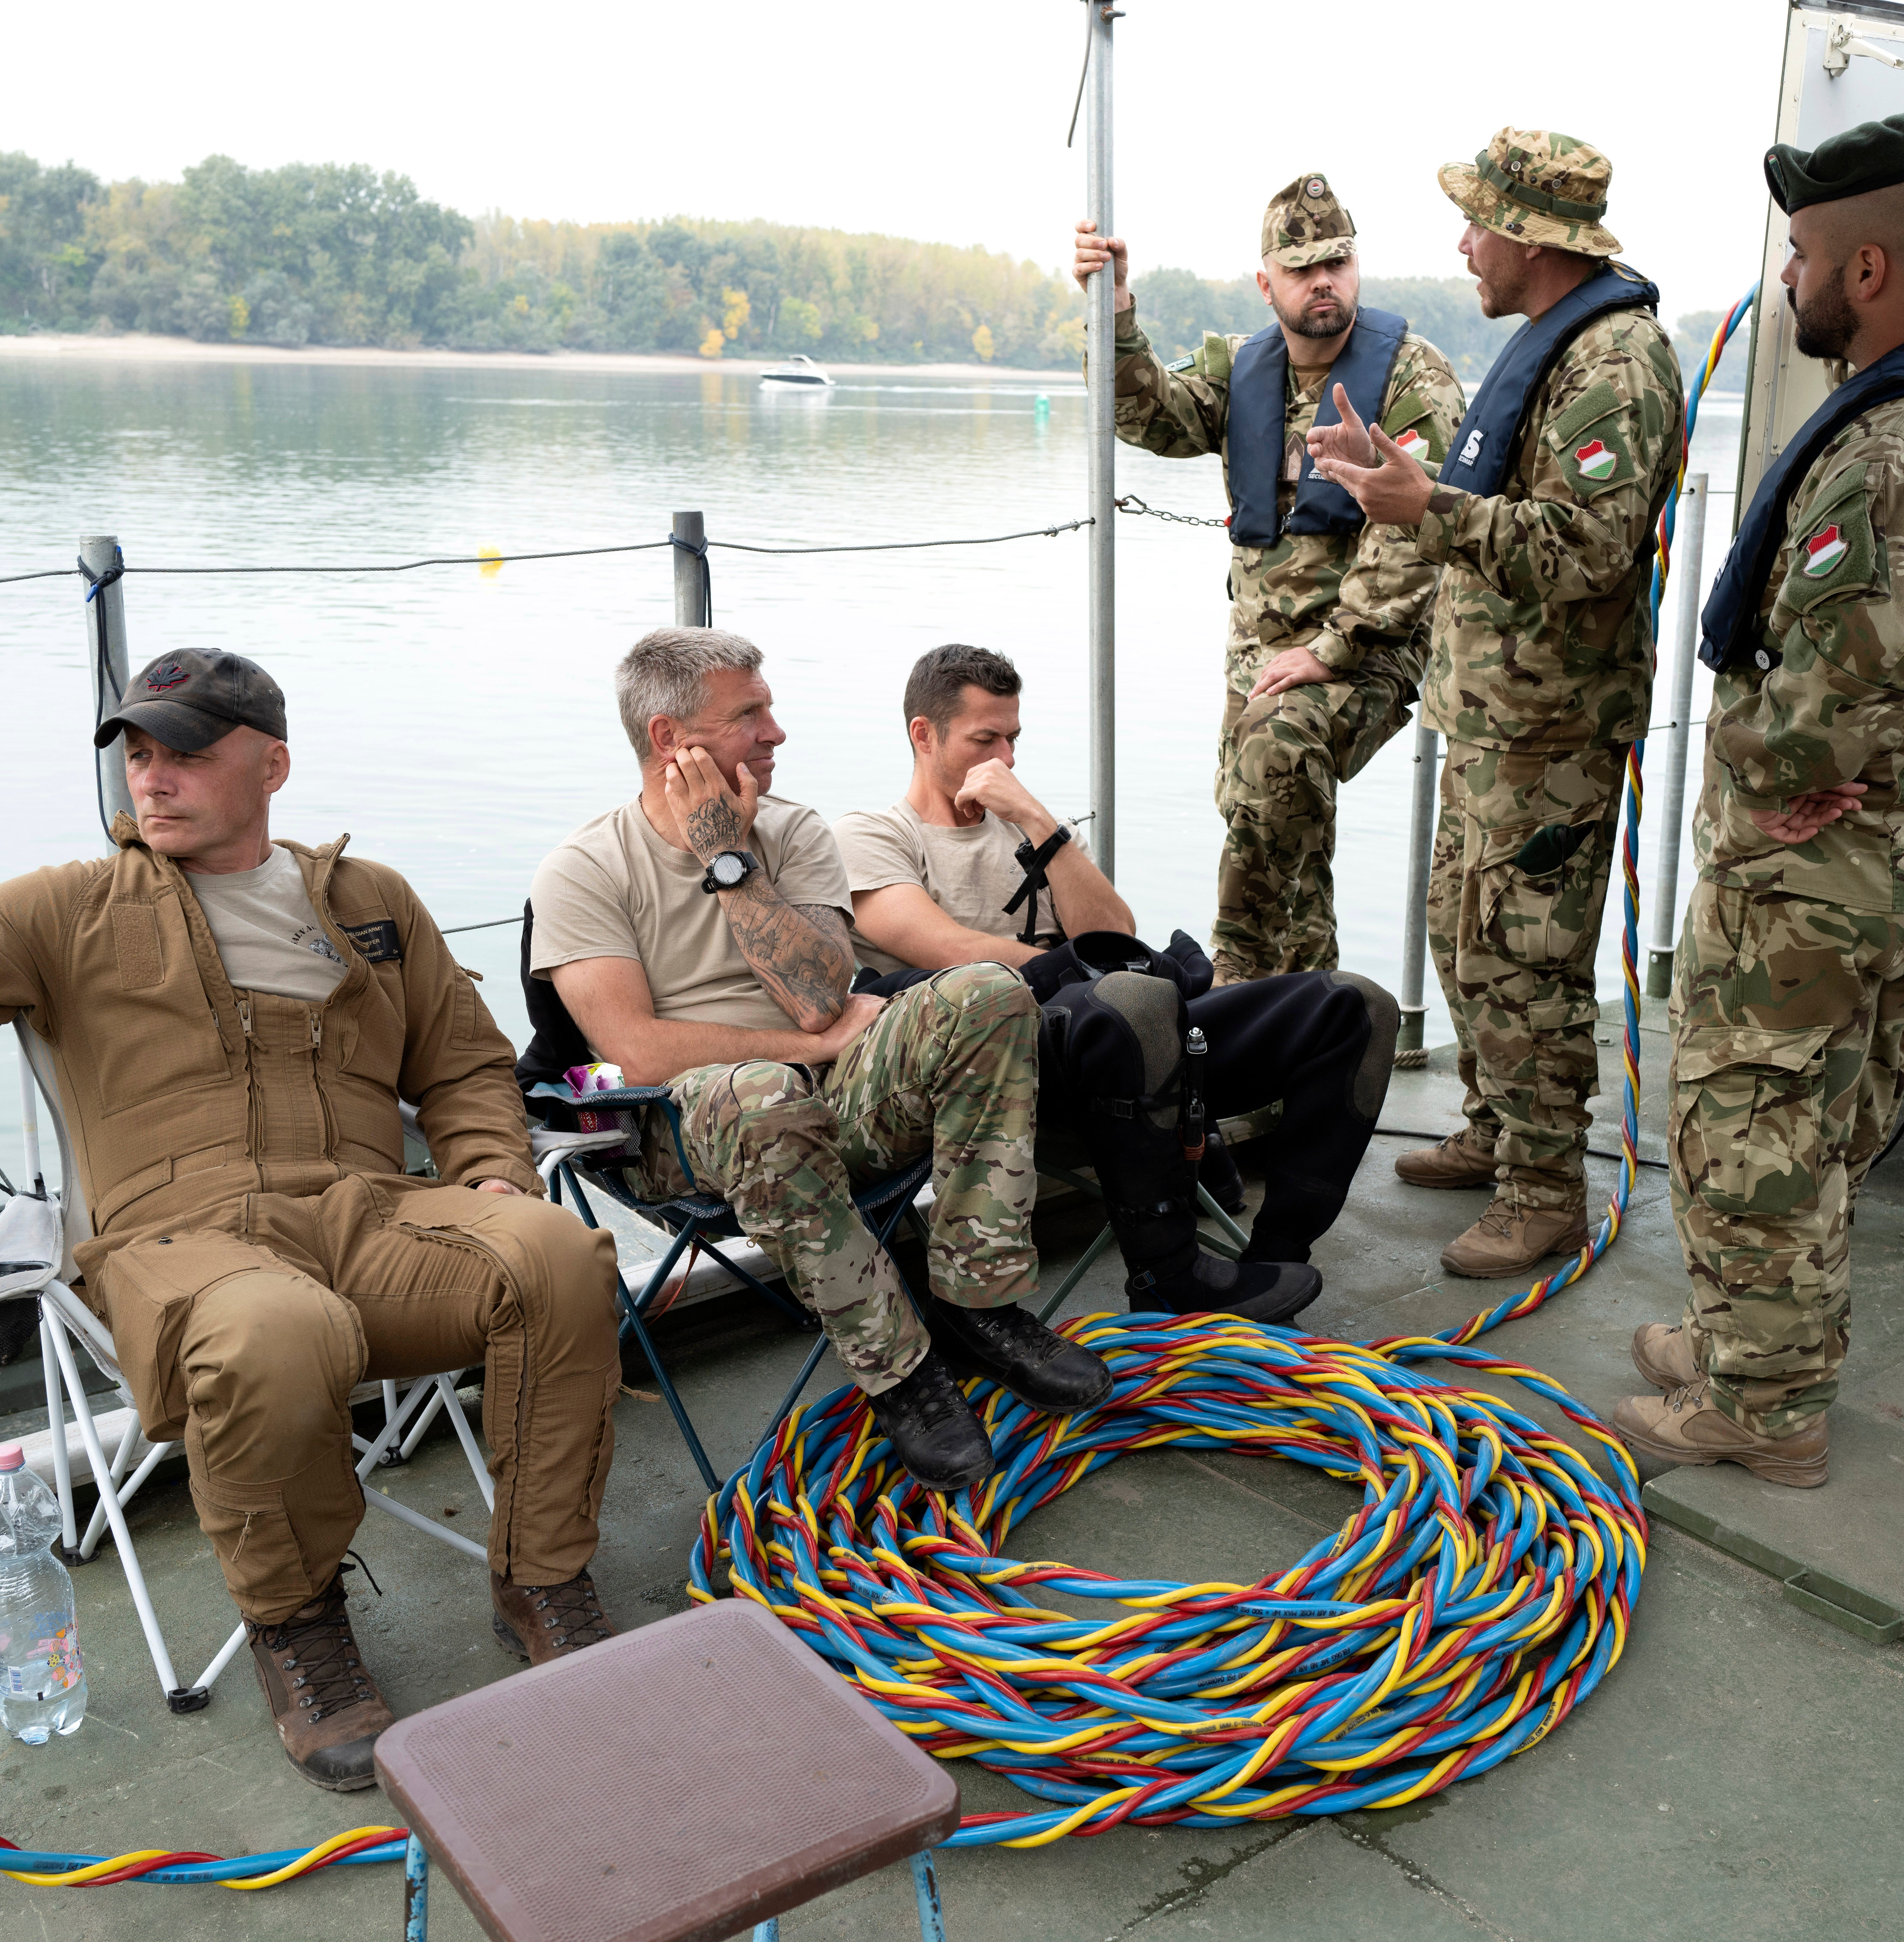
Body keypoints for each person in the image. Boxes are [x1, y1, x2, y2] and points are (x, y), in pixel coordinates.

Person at [0, 649, 624, 1793]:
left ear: (271, 764)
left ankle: (541, 1579)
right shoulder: (63, 908)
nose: (154, 776)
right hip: (177, 1239)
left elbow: (467, 1063)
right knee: (272, 1331)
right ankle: (301, 1628)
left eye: (185, 750)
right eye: (138, 752)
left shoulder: (371, 903)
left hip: (370, 1211)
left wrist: (490, 1175)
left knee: (558, 1253)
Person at [1605, 112, 1904, 1486]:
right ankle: (1742, 1334)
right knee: (1827, 1106)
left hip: (1826, 858)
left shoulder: (1894, 448)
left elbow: (1830, 705)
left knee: (1752, 1116)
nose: (1789, 278)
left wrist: (1765, 772)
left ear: (1866, 269)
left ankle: (1763, 1406)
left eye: (1802, 254)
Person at [525, 627, 1108, 1495]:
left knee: (987, 990)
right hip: (681, 1127)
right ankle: (903, 1374)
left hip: (836, 1096)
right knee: (763, 1092)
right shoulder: (582, 869)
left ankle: (976, 1303)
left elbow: (819, 994)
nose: (776, 733)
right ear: (668, 740)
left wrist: (733, 863)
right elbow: (637, 1048)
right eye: (749, 714)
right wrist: (803, 1046)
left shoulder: (791, 830)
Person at [1306, 130, 1683, 1279]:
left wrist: (1434, 510)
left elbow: (1586, 548)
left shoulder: (1612, 366)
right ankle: (1493, 1124)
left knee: (1522, 955)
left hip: (1550, 733)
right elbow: (1503, 509)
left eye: (1476, 223)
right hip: (1491, 719)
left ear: (1529, 237)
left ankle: (1542, 1187)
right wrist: (1403, 486)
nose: (1464, 243)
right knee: (1459, 934)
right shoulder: (1550, 349)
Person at [834, 644, 1398, 1322]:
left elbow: (1115, 934)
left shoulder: (1028, 834)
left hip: (1134, 1042)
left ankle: (1274, 1255)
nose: (1004, 759)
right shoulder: (870, 834)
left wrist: (1042, 825)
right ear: (922, 734)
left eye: (1012, 738)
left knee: (1354, 1005)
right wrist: (1078, 965)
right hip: (1000, 1069)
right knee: (1127, 994)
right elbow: (949, 951)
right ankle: (1167, 1273)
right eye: (984, 739)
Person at [1073, 174, 1465, 987]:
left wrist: (1332, 648)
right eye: (1300, 267)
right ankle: (1308, 1028)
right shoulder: (1244, 369)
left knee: (1276, 759)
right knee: (1277, 824)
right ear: (1266, 283)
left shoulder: (1412, 379)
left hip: (1368, 651)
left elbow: (1417, 539)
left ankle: (1237, 979)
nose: (1323, 280)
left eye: (1337, 261)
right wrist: (1112, 319)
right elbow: (1151, 414)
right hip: (1258, 656)